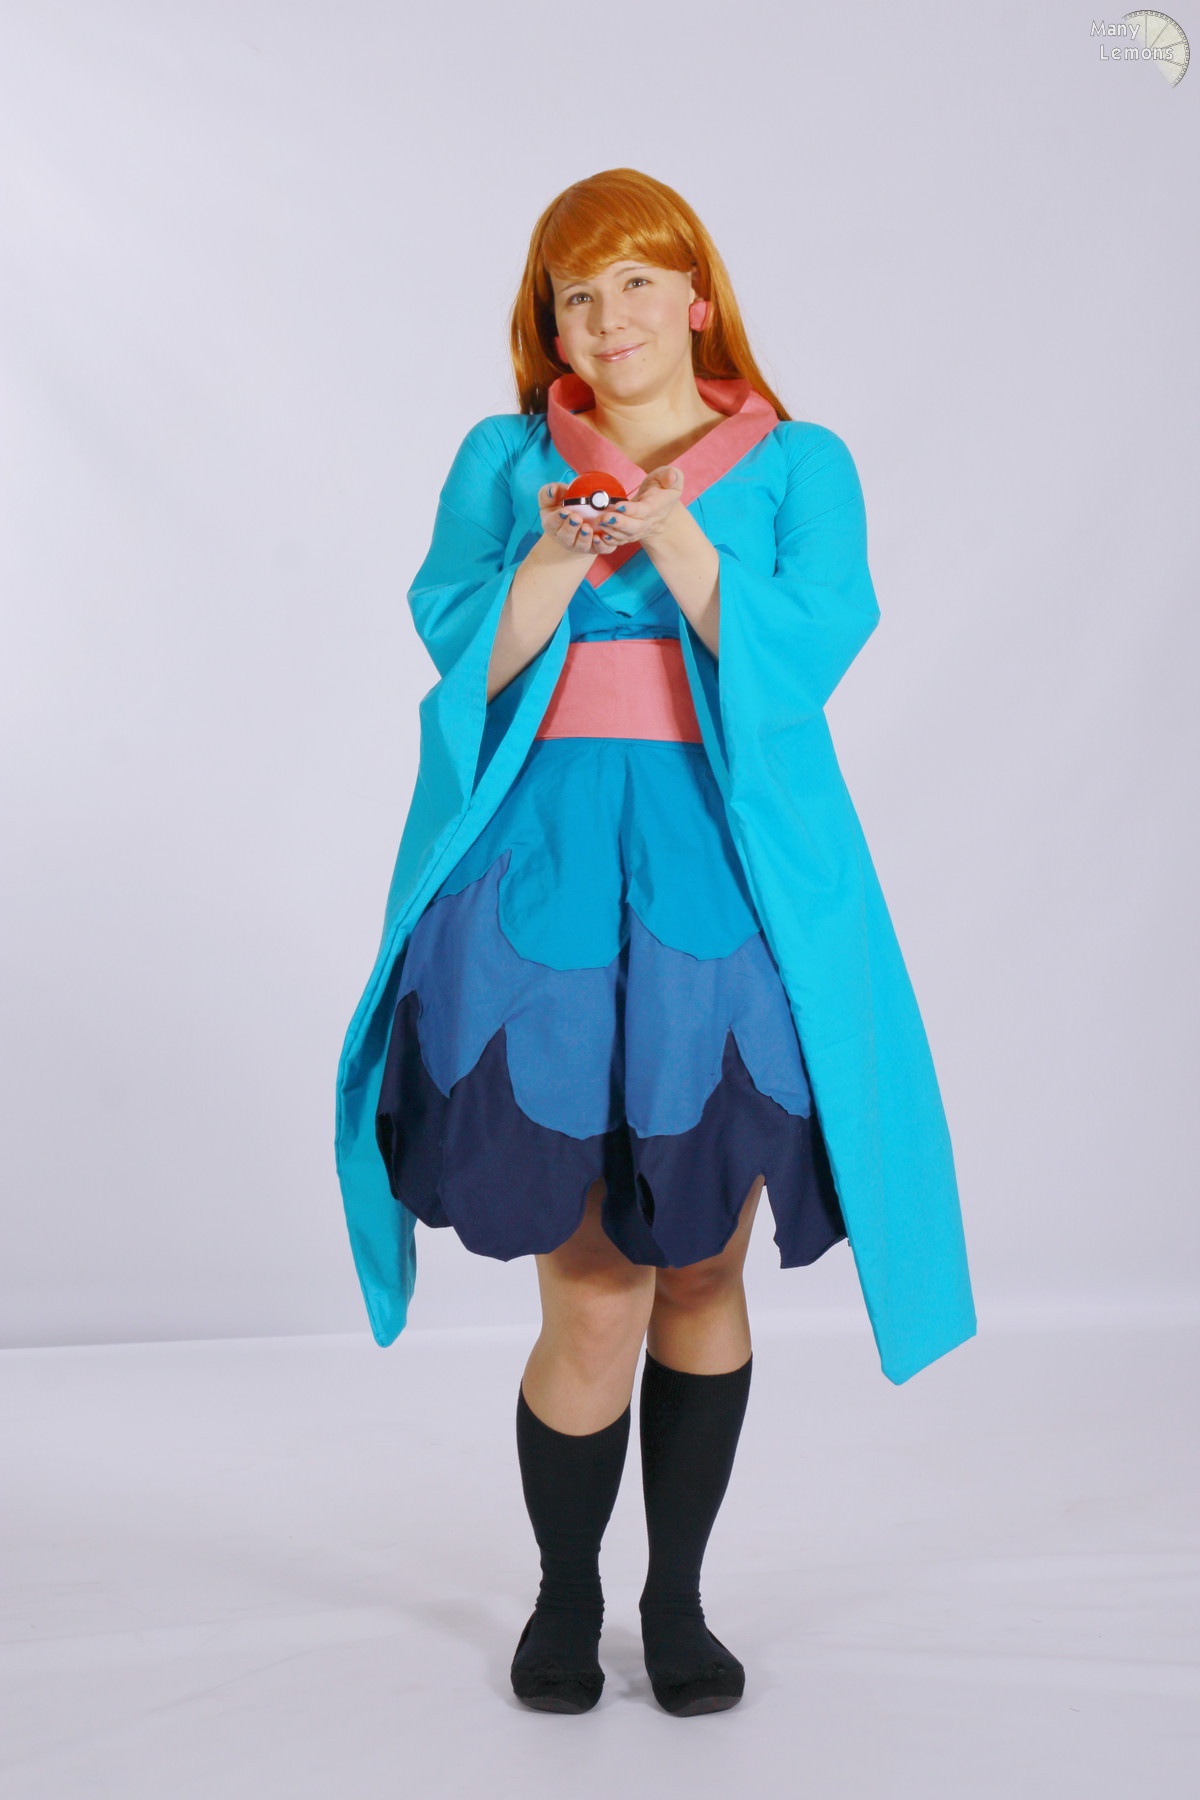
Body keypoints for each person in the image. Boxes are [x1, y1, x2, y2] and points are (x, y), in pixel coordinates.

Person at [334, 166, 977, 1717]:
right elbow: (460, 653)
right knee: (592, 1282)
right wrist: (553, 562)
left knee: (697, 1264)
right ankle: (566, 1594)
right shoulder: (504, 461)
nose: (609, 317)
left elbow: (809, 652)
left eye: (636, 281)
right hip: (539, 893)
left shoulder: (802, 463)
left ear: (696, 296)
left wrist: (679, 544)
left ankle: (676, 1603)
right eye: (578, 294)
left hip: (725, 894)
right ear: (549, 325)